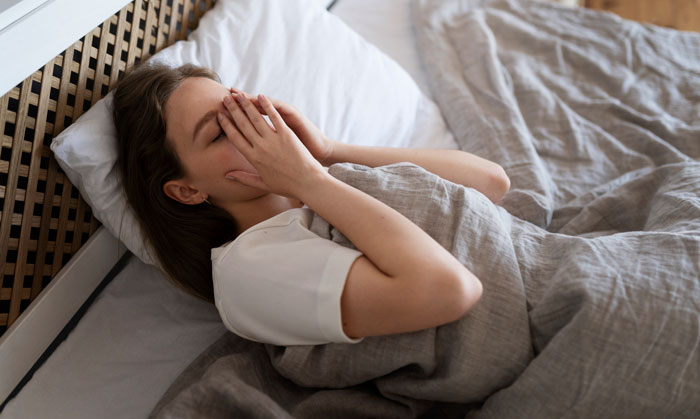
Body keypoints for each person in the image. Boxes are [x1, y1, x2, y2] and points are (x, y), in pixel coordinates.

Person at [112, 62, 510, 345]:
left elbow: (490, 183)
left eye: (245, 111)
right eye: (220, 133)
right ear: (187, 191)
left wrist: (329, 152)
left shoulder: (324, 182)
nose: (252, 131)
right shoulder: (249, 269)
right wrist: (310, 180)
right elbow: (449, 291)